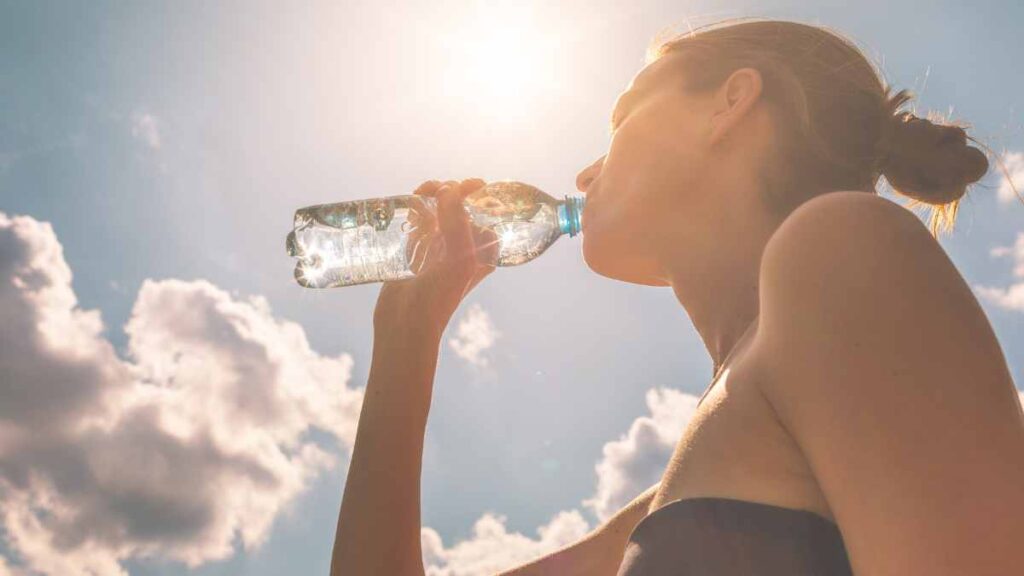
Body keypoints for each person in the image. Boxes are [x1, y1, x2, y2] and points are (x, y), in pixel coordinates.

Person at [330, 18, 1024, 576]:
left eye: (623, 115)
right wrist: (406, 339)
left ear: (729, 103)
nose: (584, 169)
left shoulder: (843, 243)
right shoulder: (663, 509)